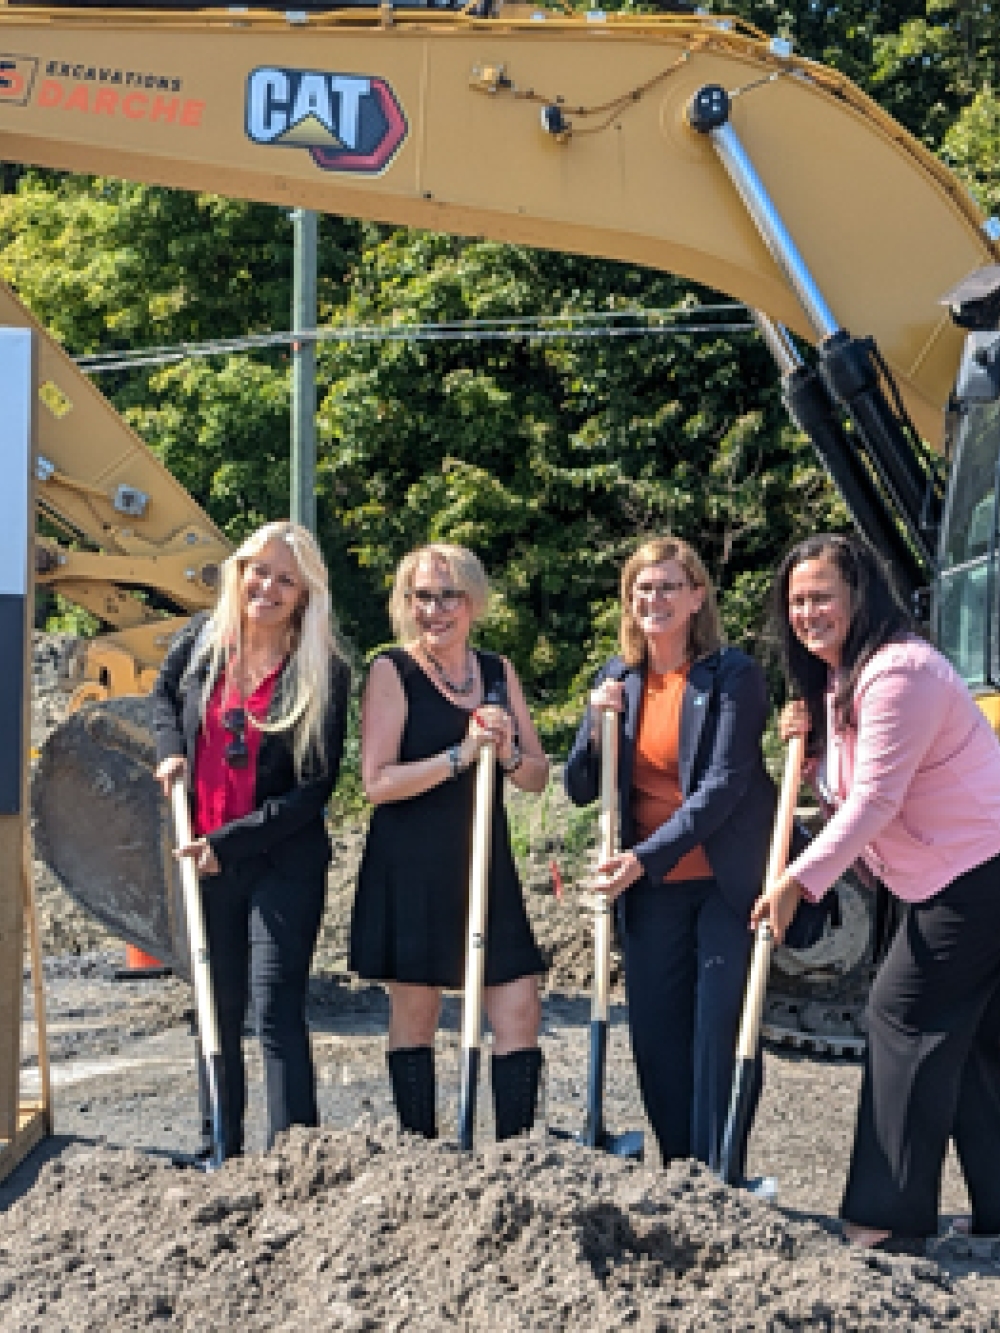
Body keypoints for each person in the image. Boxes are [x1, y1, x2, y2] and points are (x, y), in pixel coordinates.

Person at [752, 532, 1000, 1249]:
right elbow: (849, 790)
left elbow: (875, 804)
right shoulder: (840, 681)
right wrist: (812, 758)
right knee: (977, 1037)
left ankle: (888, 1220)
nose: (808, 611)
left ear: (861, 594)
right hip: (947, 875)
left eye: (822, 595)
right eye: (797, 600)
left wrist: (799, 880)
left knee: (902, 1019)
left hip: (979, 872)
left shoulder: (899, 673)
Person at [564, 534, 778, 1172]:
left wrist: (643, 858)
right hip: (652, 889)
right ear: (628, 602)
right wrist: (593, 724)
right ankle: (678, 1166)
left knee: (718, 1030)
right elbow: (580, 787)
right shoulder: (616, 677)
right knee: (657, 1032)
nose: (653, 598)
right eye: (641, 589)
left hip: (722, 880)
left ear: (696, 597)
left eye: (667, 587)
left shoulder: (732, 675)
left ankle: (720, 1173)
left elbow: (722, 787)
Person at [152, 520, 350, 1158]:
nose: (267, 585)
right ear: (238, 572)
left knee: (274, 1010)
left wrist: (229, 844)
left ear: (303, 594)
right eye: (258, 570)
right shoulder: (202, 643)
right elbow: (160, 698)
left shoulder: (323, 672)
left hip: (279, 861)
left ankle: (295, 1160)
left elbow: (312, 790)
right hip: (199, 856)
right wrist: (170, 752)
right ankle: (220, 1150)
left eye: (285, 578)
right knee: (215, 1009)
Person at [350, 543, 549, 1140]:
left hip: (484, 865)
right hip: (412, 864)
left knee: (518, 1005)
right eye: (422, 597)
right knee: (418, 1012)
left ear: (473, 601)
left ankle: (513, 1158)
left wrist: (507, 748)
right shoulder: (393, 670)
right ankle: (423, 1156)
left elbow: (536, 776)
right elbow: (377, 782)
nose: (434, 610)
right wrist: (460, 757)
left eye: (448, 596)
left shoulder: (496, 671)